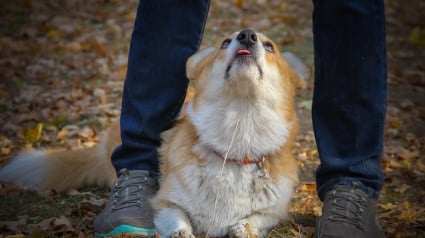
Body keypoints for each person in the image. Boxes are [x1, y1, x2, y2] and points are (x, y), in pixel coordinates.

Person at [93, 0, 387, 237]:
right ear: (202, 72)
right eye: (226, 44)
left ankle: (352, 185)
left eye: (268, 47)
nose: (247, 38)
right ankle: (138, 170)